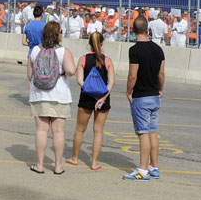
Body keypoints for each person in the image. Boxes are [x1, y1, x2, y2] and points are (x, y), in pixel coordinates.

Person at [27, 21, 76, 175]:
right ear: (57, 35)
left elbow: (30, 75)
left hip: (39, 94)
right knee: (58, 132)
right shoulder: (64, 51)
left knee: (41, 130)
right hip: (59, 95)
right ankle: (57, 166)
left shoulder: (35, 50)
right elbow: (70, 70)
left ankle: (40, 165)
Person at [66, 31, 115, 171]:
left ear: (89, 43)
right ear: (102, 43)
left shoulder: (83, 59)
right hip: (103, 98)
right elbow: (111, 82)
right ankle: (94, 162)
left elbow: (80, 81)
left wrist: (91, 92)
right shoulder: (107, 60)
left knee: (80, 130)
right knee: (98, 131)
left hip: (87, 97)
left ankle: (75, 158)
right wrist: (102, 97)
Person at [124, 16, 165, 181]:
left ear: (134, 31)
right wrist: (161, 89)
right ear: (147, 30)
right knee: (153, 132)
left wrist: (128, 91)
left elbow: (132, 76)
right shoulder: (158, 49)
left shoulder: (135, 50)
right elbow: (161, 74)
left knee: (143, 134)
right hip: (155, 94)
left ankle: (142, 169)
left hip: (141, 96)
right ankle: (154, 167)